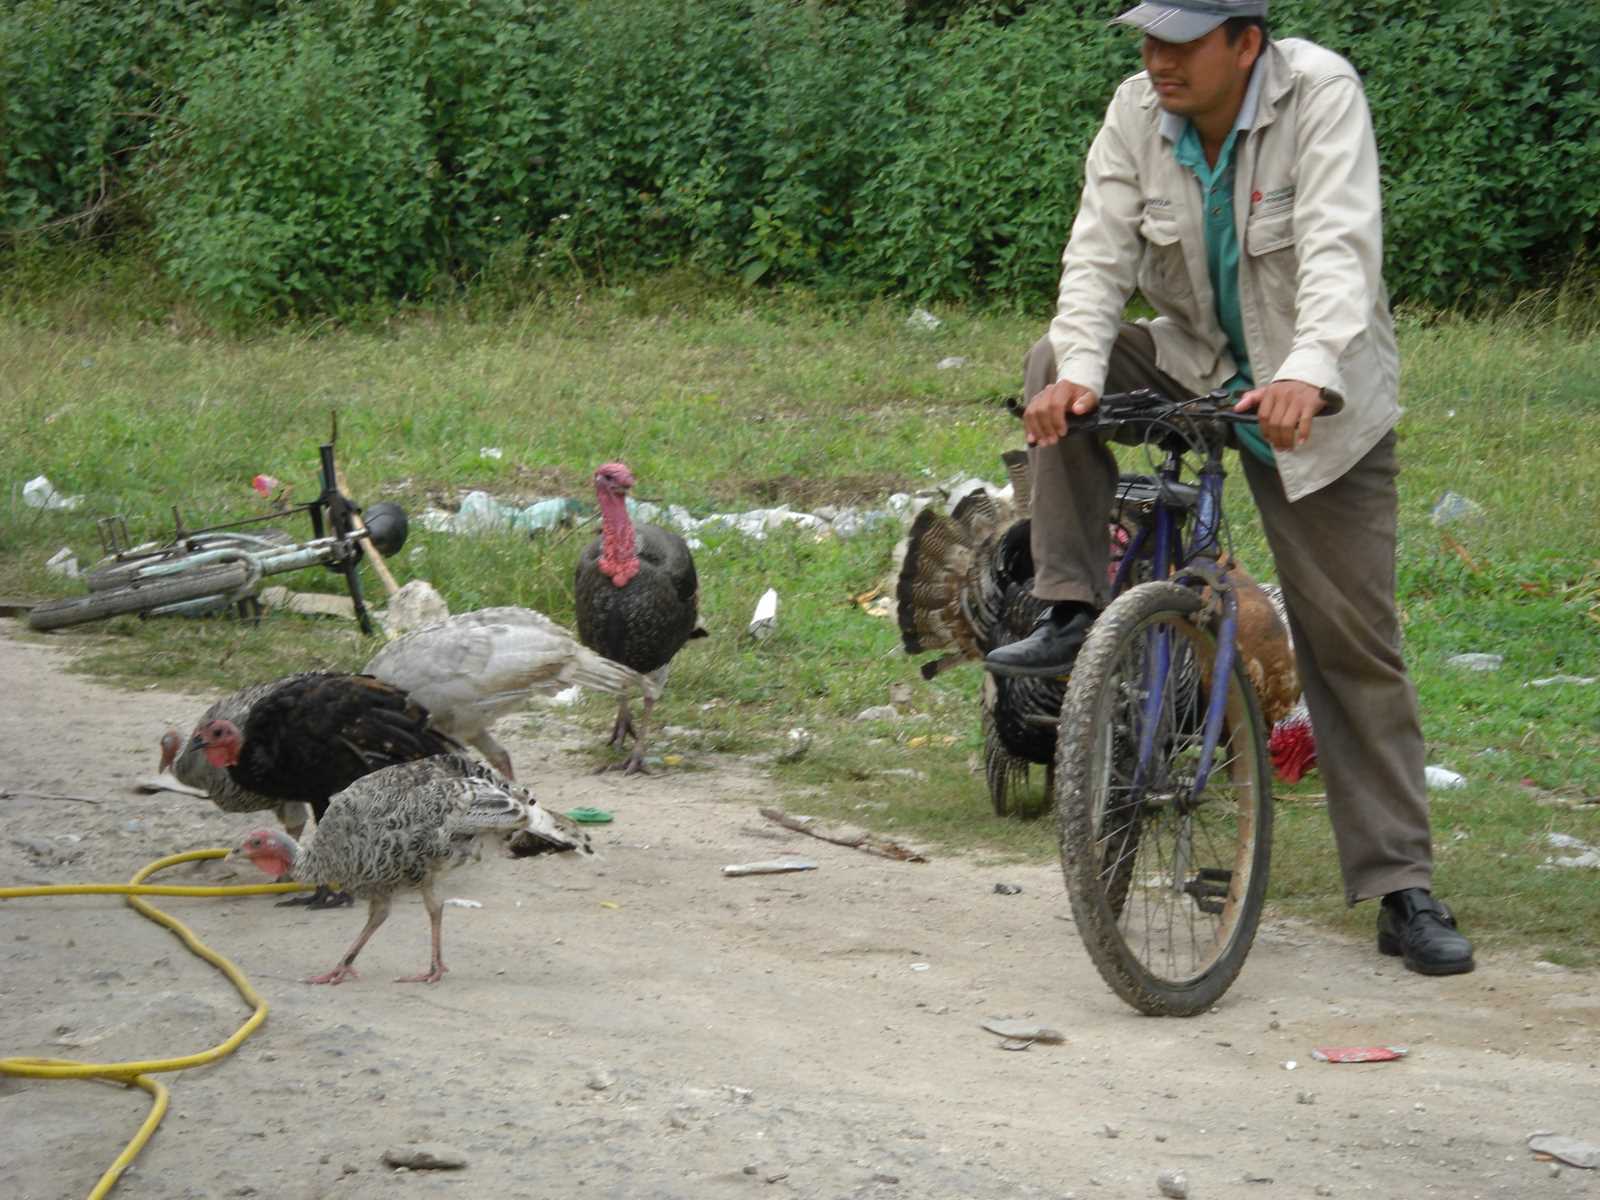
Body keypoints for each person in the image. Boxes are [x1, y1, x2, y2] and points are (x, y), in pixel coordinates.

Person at [983, 0, 1473, 975]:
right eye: (1147, 39)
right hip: (1193, 359)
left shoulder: (1318, 95)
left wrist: (1309, 371)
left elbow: (1339, 251)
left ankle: (1398, 883)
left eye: (1180, 41)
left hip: (1313, 398)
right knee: (1051, 360)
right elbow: (1096, 257)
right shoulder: (1136, 111)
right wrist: (1081, 368)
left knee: (1350, 642)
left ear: (1245, 43)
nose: (1156, 58)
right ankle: (1076, 606)